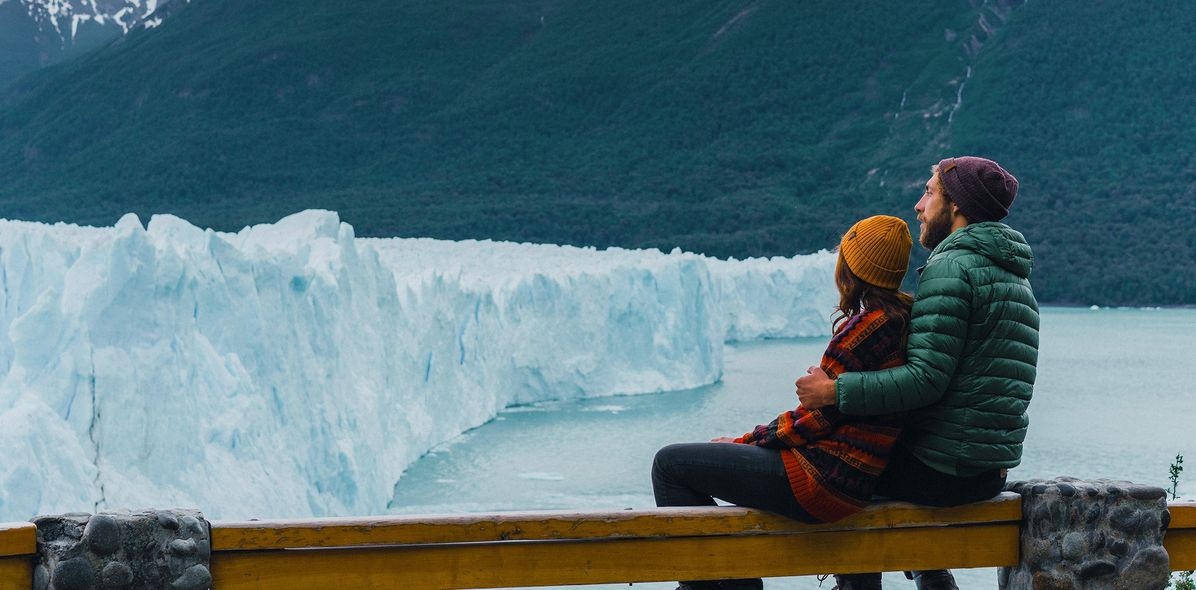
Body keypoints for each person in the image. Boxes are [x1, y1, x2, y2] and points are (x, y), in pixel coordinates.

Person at [796, 156, 1039, 590]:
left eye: (929, 192)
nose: (918, 205)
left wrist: (833, 392)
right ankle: (931, 573)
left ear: (957, 205)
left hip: (943, 472)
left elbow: (925, 380)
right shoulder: (1013, 276)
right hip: (988, 471)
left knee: (845, 466)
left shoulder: (953, 267)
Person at [652, 215, 915, 590]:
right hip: (854, 478)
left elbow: (815, 420)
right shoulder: (901, 321)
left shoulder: (864, 330)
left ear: (852, 266)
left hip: (823, 480)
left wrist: (743, 442)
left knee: (670, 464)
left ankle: (732, 586)